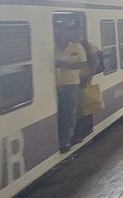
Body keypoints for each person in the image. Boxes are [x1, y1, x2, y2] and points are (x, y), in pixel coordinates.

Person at [55, 20, 88, 153]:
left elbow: (84, 64)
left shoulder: (76, 47)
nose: (62, 34)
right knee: (59, 114)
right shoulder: (50, 47)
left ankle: (66, 141)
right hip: (53, 86)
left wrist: (69, 66)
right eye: (59, 31)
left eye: (64, 31)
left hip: (70, 84)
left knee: (68, 113)